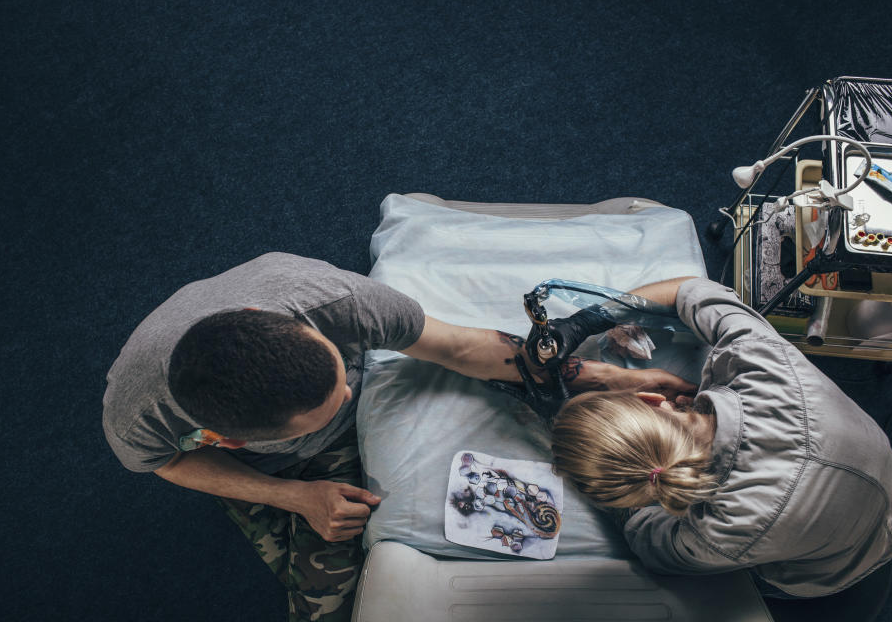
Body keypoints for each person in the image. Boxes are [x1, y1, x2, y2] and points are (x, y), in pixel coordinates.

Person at [103, 252, 696, 622]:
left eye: (340, 373)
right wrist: (296, 497)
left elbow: (462, 348)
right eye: (335, 402)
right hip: (278, 471)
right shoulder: (137, 419)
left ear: (273, 317)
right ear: (223, 439)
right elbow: (166, 464)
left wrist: (610, 382)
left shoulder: (330, 298)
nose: (352, 393)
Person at [531, 276, 892, 610]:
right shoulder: (761, 361)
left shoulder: (721, 532)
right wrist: (589, 319)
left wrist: (555, 415)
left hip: (836, 571)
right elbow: (689, 290)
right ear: (651, 399)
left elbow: (648, 541)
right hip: (883, 476)